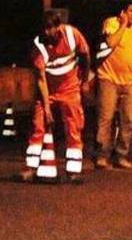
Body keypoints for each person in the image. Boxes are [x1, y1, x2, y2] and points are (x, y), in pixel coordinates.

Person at [21, 10, 91, 183]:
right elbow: (41, 80)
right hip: (49, 91)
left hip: (70, 89)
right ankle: (30, 168)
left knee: (73, 127)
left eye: (50, 28)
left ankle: (73, 171)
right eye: (44, 29)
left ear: (58, 27)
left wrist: (85, 81)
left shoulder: (72, 35)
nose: (47, 33)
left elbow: (85, 56)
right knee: (38, 126)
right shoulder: (39, 46)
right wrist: (46, 106)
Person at [94, 2, 132, 169]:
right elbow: (111, 43)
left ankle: (121, 155)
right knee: (106, 117)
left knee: (128, 119)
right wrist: (122, 24)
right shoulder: (111, 23)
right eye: (131, 11)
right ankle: (102, 155)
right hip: (108, 78)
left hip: (128, 81)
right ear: (123, 11)